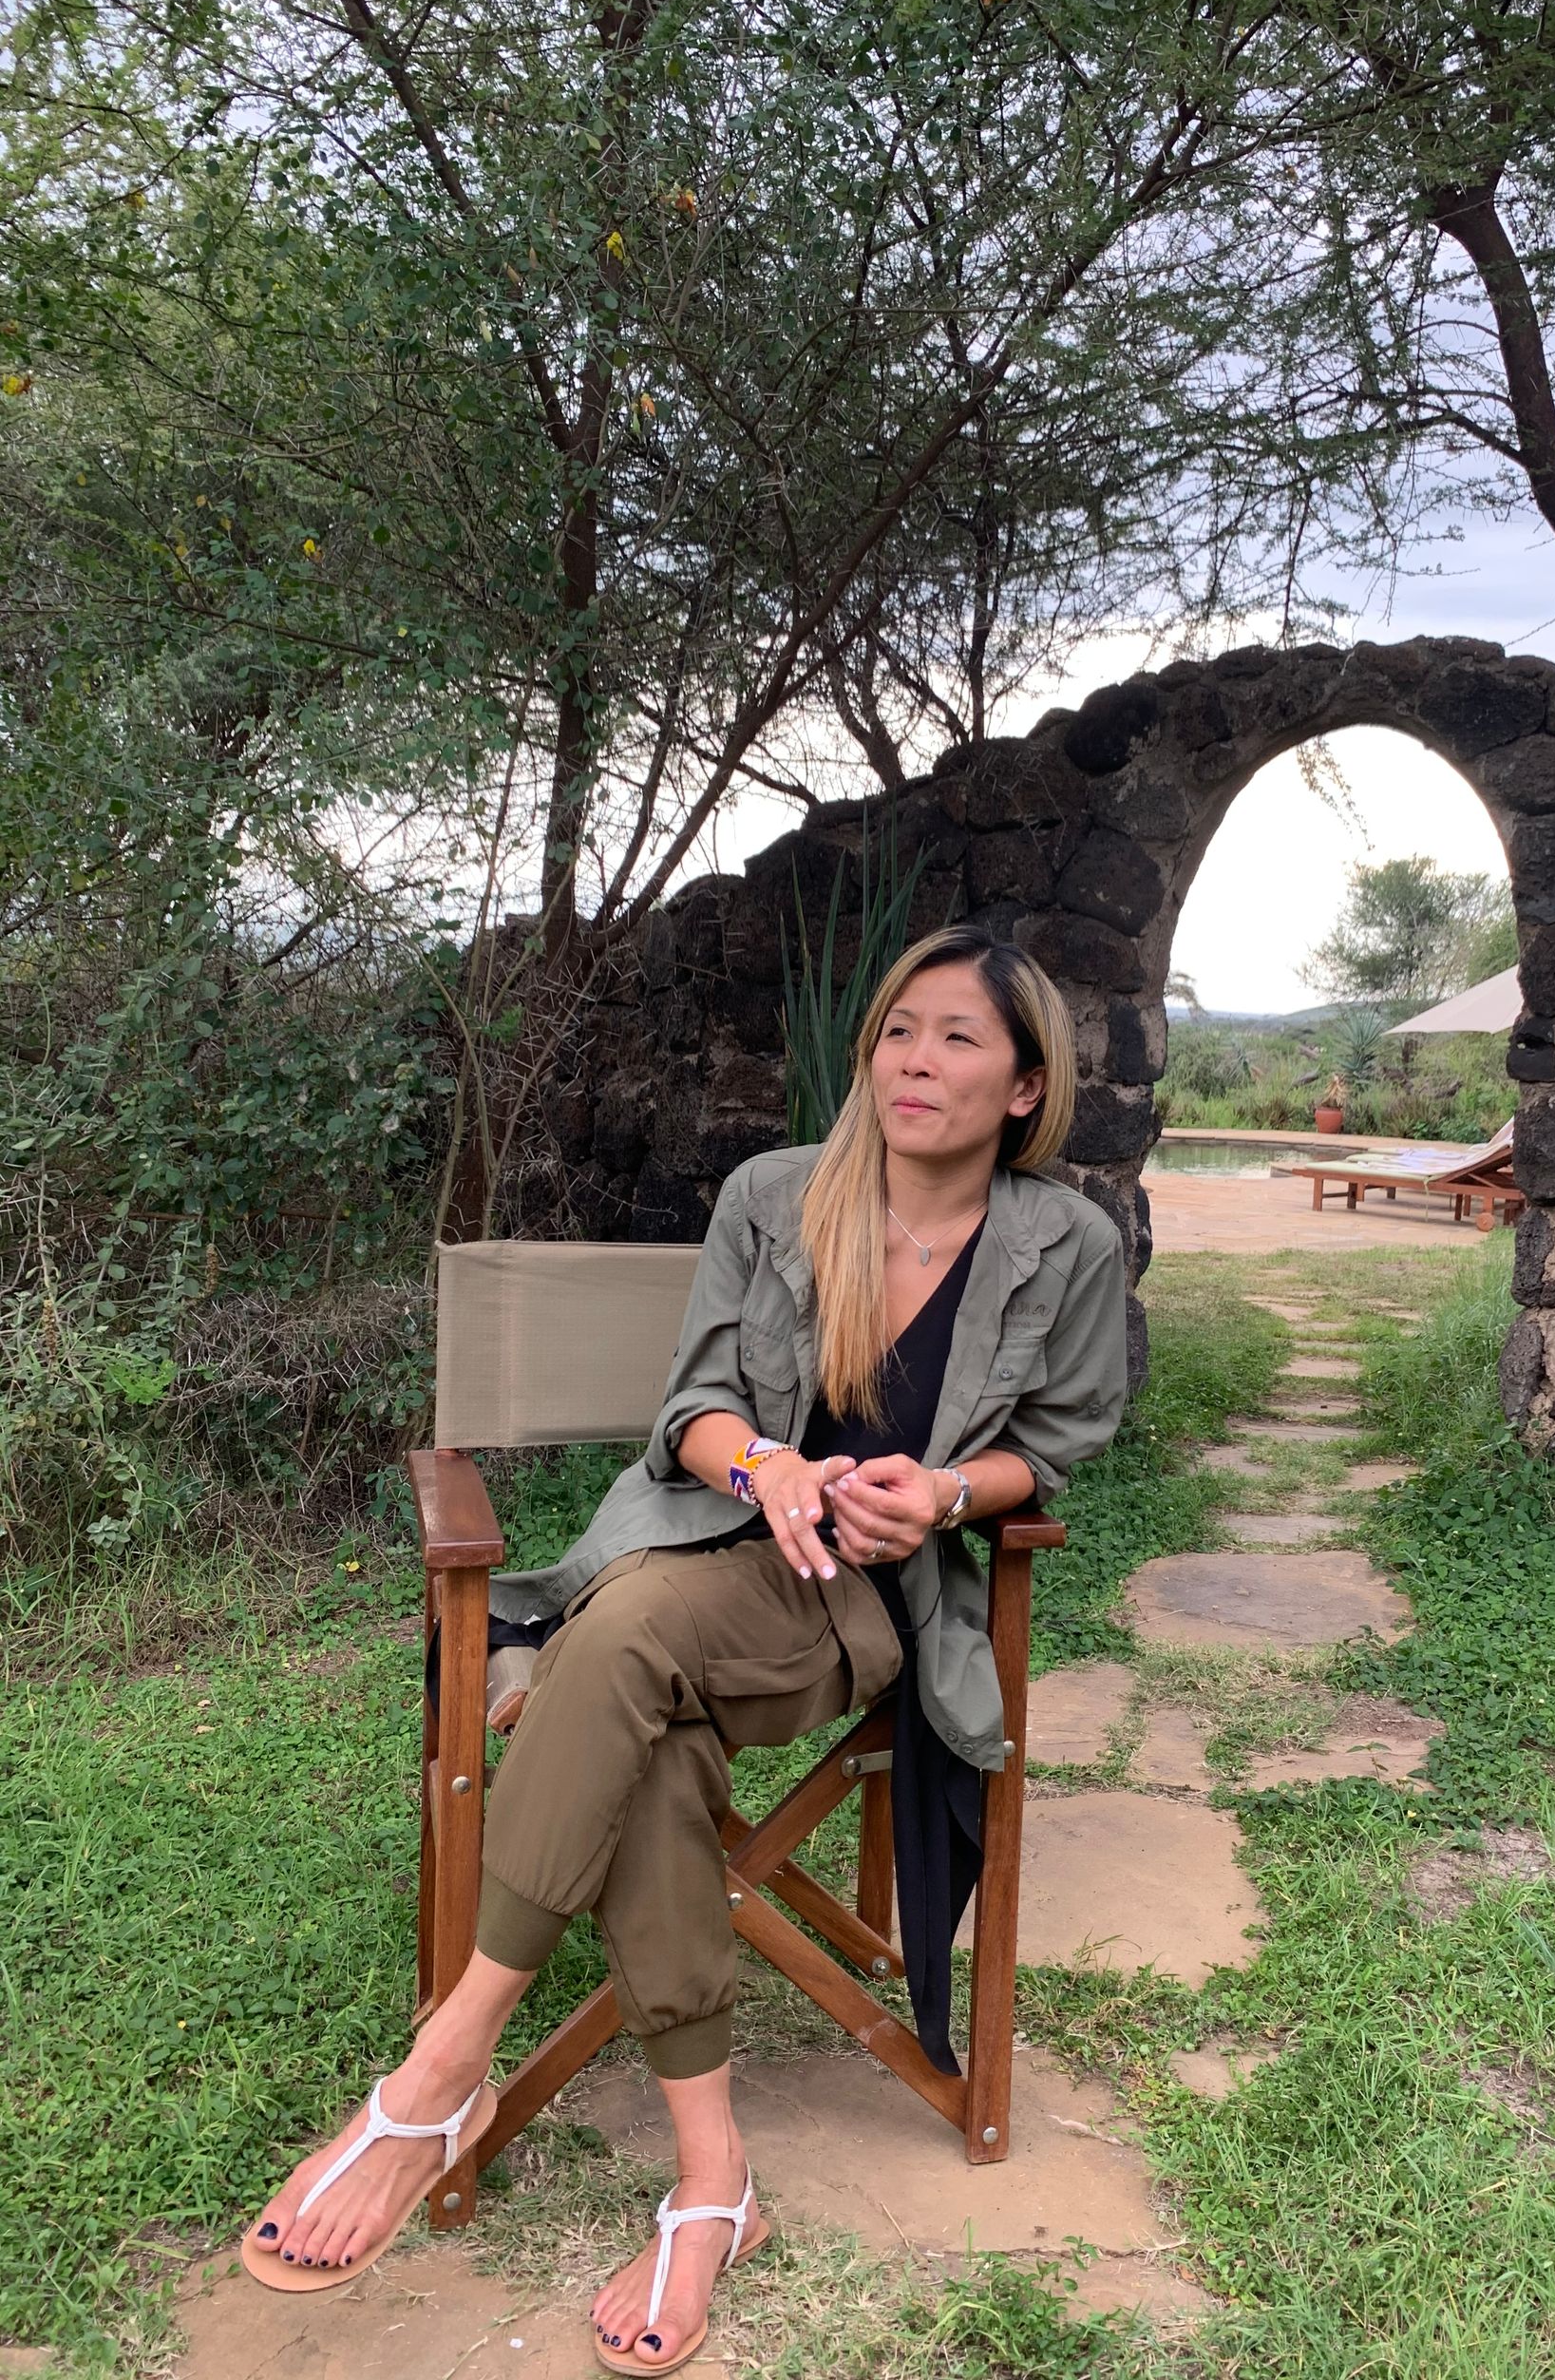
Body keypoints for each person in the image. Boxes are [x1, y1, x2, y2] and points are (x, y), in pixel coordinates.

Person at [241, 924, 1129, 2372]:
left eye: (959, 1038)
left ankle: (443, 2063)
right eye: (899, 1028)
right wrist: (765, 1467)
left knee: (621, 1640)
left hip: (858, 1601)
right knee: (643, 1698)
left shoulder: (1065, 1245)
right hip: (700, 1535)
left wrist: (949, 1494)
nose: (915, 1060)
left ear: (1028, 1085)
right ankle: (711, 2182)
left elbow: (1067, 1435)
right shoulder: (778, 1197)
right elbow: (697, 1403)